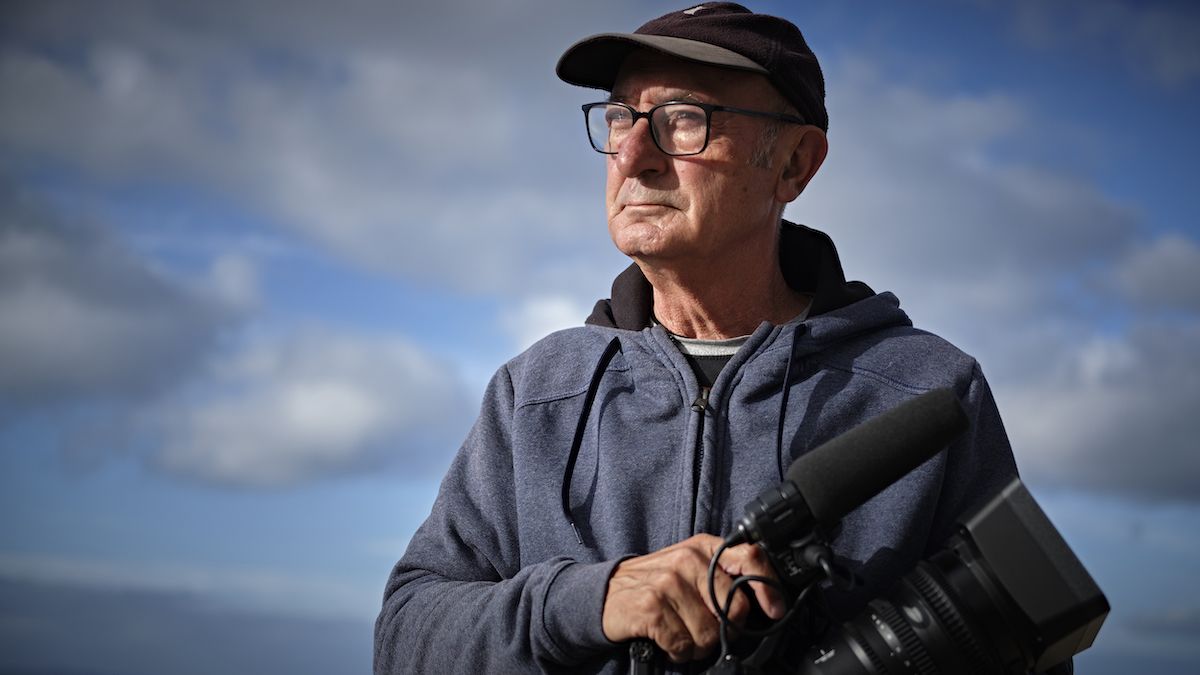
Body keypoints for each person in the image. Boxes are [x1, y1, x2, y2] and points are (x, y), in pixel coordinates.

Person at [374, 4, 1019, 673]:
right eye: (621, 116)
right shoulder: (536, 391)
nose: (632, 154)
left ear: (794, 163)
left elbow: (1028, 643)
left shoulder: (932, 391)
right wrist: (592, 600)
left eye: (683, 118)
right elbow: (404, 636)